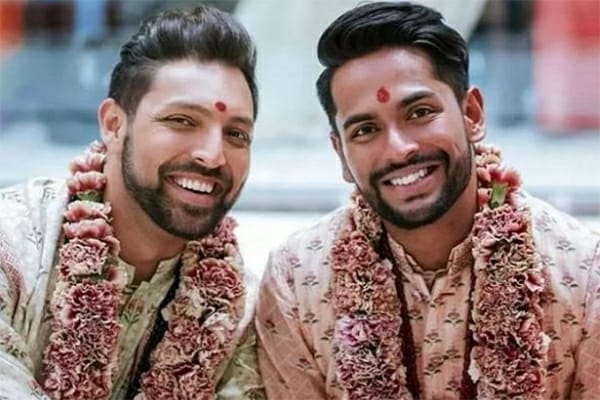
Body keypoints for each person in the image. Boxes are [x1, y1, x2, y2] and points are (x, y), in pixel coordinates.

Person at [255, 2, 600, 399]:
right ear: (342, 155)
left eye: (419, 112)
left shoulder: (581, 272)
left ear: (472, 115)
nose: (398, 150)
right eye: (365, 130)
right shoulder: (297, 279)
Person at [0, 4, 264, 399]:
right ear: (113, 125)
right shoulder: (12, 245)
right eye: (182, 121)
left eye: (236, 135)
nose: (213, 155)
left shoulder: (239, 314)